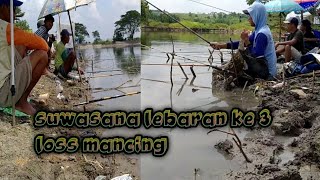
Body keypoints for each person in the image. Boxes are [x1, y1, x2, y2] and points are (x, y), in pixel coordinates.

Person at [0, 0, 49, 115]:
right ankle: (21, 102)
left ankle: (19, 94)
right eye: (12, 9)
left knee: (21, 44)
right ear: (3, 7)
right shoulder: (5, 28)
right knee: (42, 55)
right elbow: (43, 45)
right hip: (2, 94)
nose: (15, 14)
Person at [211, 1, 277, 80]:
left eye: (251, 16)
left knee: (232, 71)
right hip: (262, 68)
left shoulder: (262, 34)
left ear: (257, 16)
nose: (248, 19)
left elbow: (256, 57)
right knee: (228, 65)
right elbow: (242, 43)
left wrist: (246, 40)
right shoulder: (259, 30)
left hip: (267, 73)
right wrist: (221, 45)